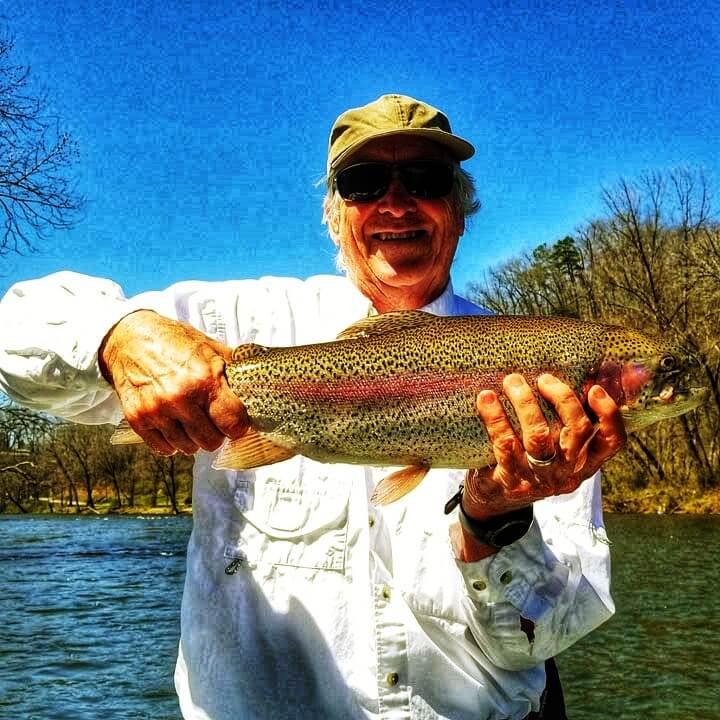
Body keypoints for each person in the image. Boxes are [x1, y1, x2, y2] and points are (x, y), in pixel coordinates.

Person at [0, 94, 626, 719]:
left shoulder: (546, 384)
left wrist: (494, 519)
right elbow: (16, 329)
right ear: (335, 213)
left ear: (460, 211)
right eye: (364, 182)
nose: (396, 201)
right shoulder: (239, 323)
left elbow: (545, 635)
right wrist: (122, 336)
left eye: (426, 179)